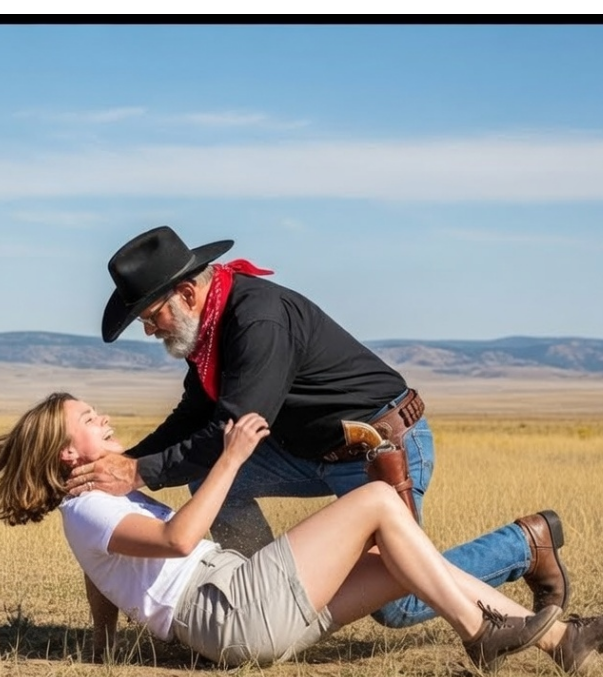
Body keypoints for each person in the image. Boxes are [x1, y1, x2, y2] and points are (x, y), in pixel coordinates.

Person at [65, 224, 568, 634]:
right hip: (310, 453)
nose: (150, 331)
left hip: (376, 446)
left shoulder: (257, 322)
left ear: (187, 292)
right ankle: (258, 589)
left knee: (396, 603)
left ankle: (524, 545)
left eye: (151, 317)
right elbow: (191, 417)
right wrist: (129, 461)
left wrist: (137, 471)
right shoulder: (213, 329)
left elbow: (231, 427)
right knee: (213, 480)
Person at [0, 394, 603, 674]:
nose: (102, 416)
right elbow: (172, 544)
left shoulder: (92, 506)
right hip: (227, 605)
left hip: (235, 614)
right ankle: (479, 634)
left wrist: (104, 640)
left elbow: (105, 569)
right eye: (88, 418)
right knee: (376, 499)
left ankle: (562, 641)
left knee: (400, 554)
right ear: (65, 452)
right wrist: (229, 459)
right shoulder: (85, 509)